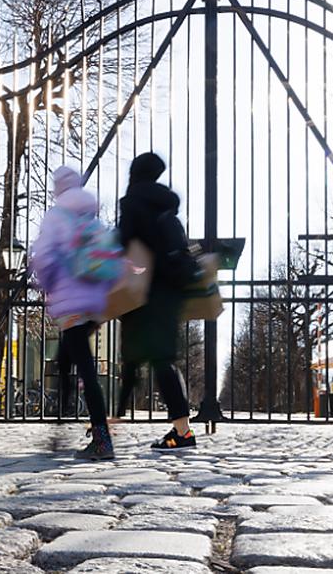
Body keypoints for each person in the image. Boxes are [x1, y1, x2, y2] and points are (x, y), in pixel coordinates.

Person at [30, 166, 117, 460]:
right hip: (93, 305)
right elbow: (109, 257)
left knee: (84, 369)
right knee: (64, 363)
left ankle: (102, 439)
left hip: (70, 303)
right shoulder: (92, 219)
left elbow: (43, 256)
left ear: (58, 188)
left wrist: (43, 282)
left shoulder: (57, 216)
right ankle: (59, 431)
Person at [115, 152, 199, 451]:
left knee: (137, 358)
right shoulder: (167, 205)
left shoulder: (133, 201)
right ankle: (179, 430)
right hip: (170, 291)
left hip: (144, 290)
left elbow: (123, 243)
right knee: (157, 359)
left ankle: (113, 425)